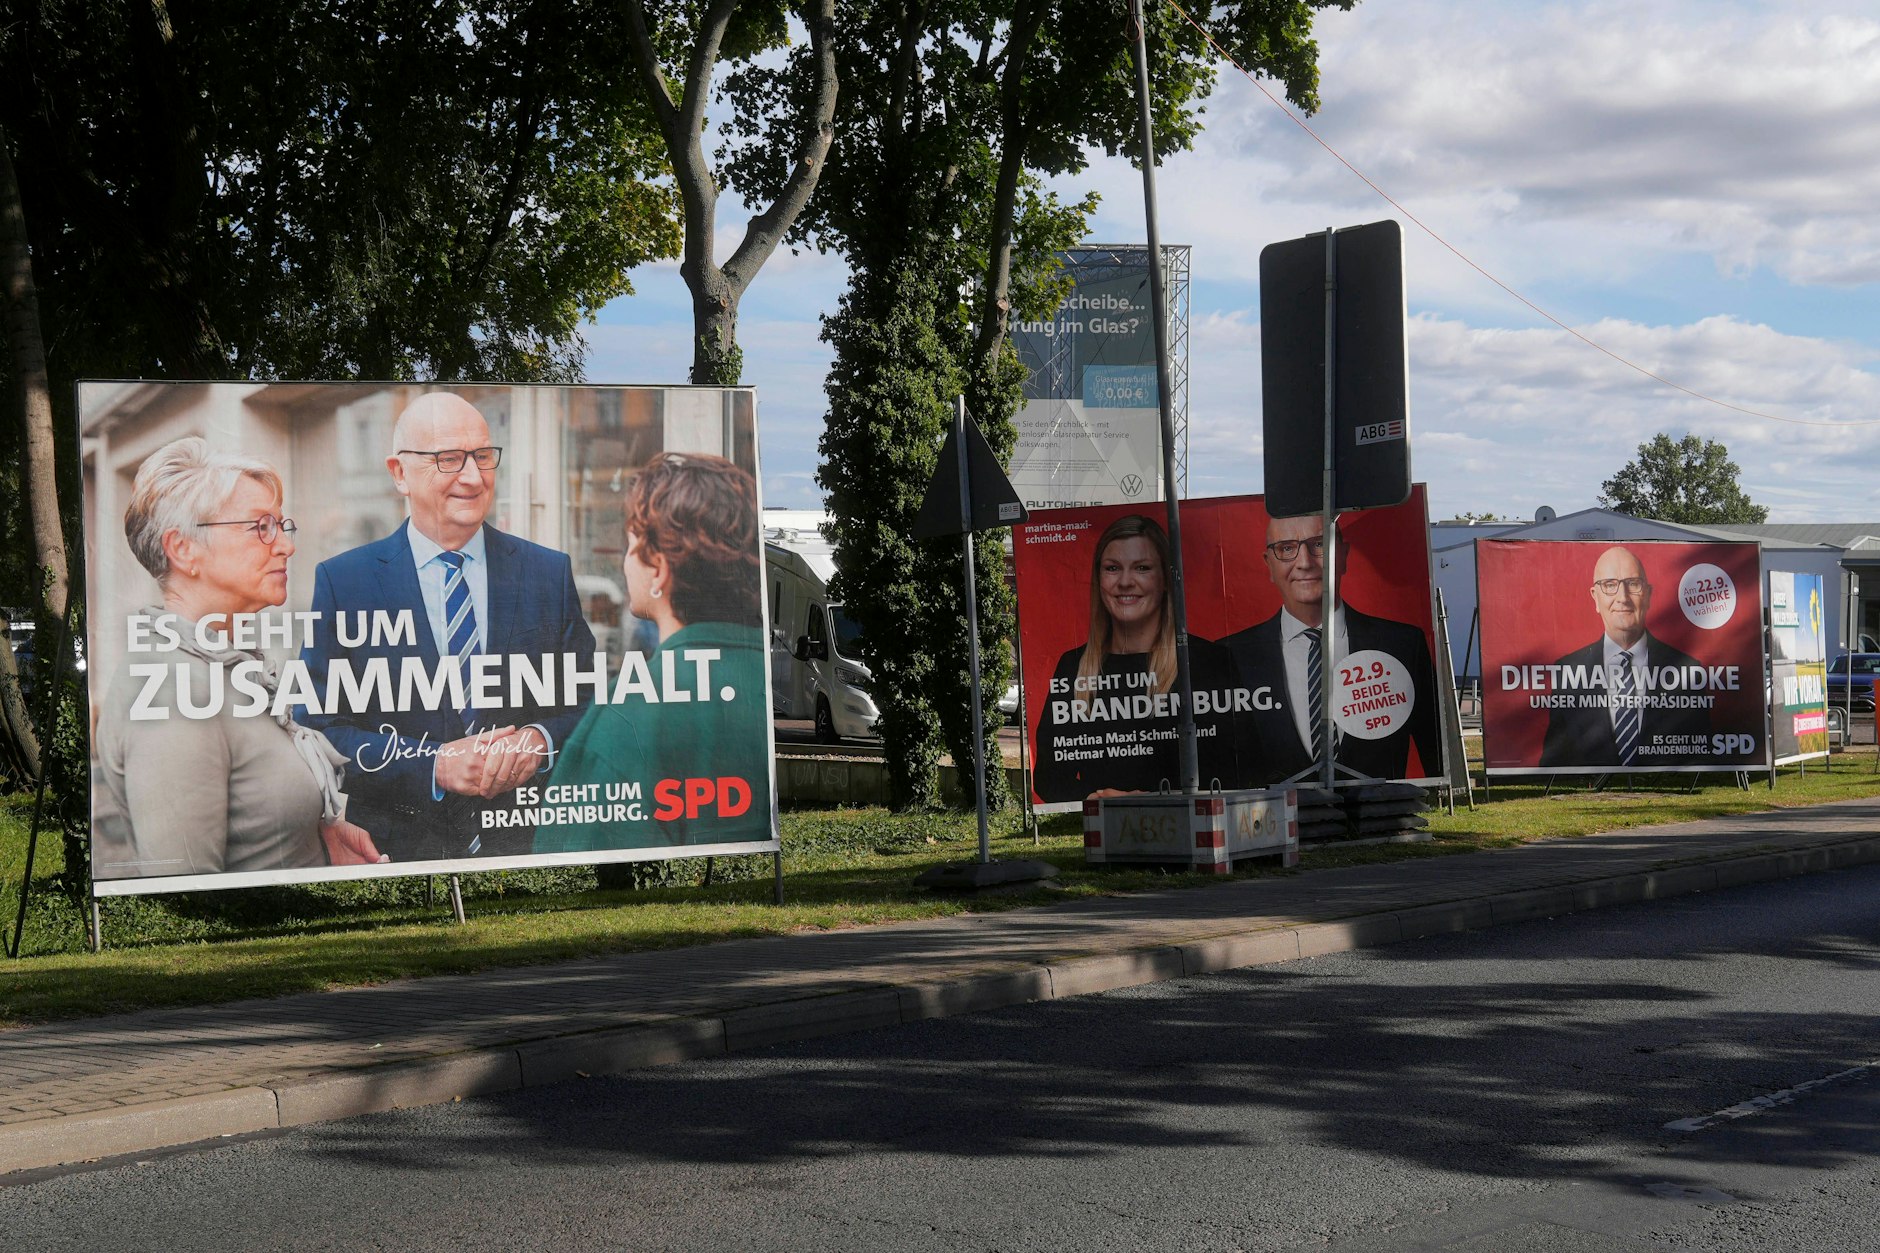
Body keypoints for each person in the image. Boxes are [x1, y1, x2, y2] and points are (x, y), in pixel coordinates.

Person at [300, 393, 596, 862]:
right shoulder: (344, 582)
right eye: (449, 459)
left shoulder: (547, 573)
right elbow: (316, 729)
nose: (474, 477)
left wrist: (540, 740)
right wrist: (432, 765)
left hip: (529, 852)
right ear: (399, 473)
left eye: (482, 456)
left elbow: (592, 701)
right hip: (398, 859)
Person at [92, 438, 385, 879]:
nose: (285, 545)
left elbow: (253, 820)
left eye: (281, 525)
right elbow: (187, 899)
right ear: (184, 550)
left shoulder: (220, 667)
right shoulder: (174, 689)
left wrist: (314, 841)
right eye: (260, 527)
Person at [537, 452, 771, 852]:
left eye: (630, 545)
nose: (626, 561)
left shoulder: (627, 711)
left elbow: (572, 849)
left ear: (659, 569)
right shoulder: (767, 682)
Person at [1031, 514, 1242, 802]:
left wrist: (1161, 800)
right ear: (1098, 579)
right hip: (1107, 831)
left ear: (1166, 579)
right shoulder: (1073, 666)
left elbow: (1244, 767)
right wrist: (1097, 799)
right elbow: (1047, 777)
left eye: (1142, 568)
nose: (1125, 582)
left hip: (1190, 825)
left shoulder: (1209, 661)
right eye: (1112, 568)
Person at [1222, 512, 1440, 784]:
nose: (1304, 563)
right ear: (1269, 565)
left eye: (1320, 544)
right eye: (1286, 548)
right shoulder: (1227, 655)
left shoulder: (1403, 644)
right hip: (1272, 823)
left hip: (1380, 819)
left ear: (1344, 556)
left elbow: (1437, 753)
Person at [1539, 546, 1711, 767]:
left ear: (1648, 595)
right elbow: (1553, 761)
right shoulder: (1568, 670)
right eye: (1609, 585)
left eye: (1633, 584)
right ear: (1595, 597)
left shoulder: (1687, 669)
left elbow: (1703, 755)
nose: (1623, 597)